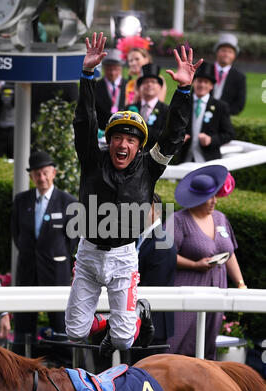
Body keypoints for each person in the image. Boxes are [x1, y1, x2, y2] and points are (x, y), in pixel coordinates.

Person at [64, 31, 203, 357]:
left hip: (124, 258)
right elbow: (84, 121)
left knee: (125, 340)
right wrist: (87, 75)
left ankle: (135, 314)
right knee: (74, 332)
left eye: (130, 140)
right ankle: (108, 324)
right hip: (87, 257)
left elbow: (172, 136)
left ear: (139, 145)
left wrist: (183, 90)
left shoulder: (149, 166)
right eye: (117, 138)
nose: (123, 145)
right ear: (109, 140)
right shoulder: (91, 158)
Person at [169, 165, 246, 360]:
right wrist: (194, 265)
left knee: (206, 344)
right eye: (208, 198)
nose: (213, 201)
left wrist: (240, 284)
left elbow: (230, 254)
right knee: (178, 342)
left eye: (214, 196)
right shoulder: (178, 220)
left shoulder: (221, 219)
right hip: (187, 289)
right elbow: (166, 256)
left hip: (217, 289)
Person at [11, 151, 78, 365]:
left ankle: (64, 370)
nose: (41, 178)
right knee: (23, 326)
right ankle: (20, 369)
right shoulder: (21, 201)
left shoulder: (68, 202)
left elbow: (73, 241)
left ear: (54, 173)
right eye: (37, 174)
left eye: (45, 173)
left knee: (60, 325)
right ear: (31, 176)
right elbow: (16, 233)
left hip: (56, 274)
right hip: (28, 272)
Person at [128, 193, 176, 364]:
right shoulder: (139, 236)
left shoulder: (161, 243)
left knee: (147, 377)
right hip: (140, 321)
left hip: (153, 324)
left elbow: (152, 286)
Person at [178, 61, 235, 163]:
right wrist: (179, 137)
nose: (202, 85)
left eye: (206, 82)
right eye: (199, 81)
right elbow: (174, 127)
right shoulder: (183, 103)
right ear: (194, 82)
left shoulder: (220, 107)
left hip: (209, 158)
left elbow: (229, 134)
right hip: (184, 158)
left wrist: (211, 140)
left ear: (211, 86)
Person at [129, 63, 170, 151]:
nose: (149, 84)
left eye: (153, 82)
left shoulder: (166, 110)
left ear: (160, 87)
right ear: (139, 87)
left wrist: (141, 128)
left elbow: (166, 136)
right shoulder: (130, 108)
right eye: (146, 82)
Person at [213, 33, 246, 116]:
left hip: (226, 117)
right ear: (217, 52)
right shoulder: (205, 70)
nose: (226, 54)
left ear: (234, 56)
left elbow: (239, 103)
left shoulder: (239, 76)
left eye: (230, 52)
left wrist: (224, 116)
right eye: (223, 50)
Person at [95, 48, 127, 132]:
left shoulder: (129, 85)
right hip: (102, 129)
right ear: (104, 69)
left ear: (121, 69)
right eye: (109, 69)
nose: (112, 73)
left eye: (115, 69)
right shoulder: (96, 86)